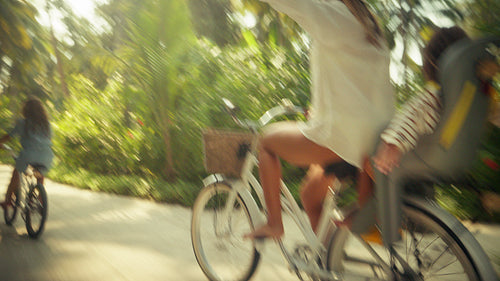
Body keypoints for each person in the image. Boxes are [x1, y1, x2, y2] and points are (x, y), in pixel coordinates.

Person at [244, 0, 394, 240]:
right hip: (375, 138)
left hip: (342, 137)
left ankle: (273, 223)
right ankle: (328, 266)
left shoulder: (336, 14)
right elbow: (358, 85)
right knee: (311, 197)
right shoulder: (370, 25)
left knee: (266, 141)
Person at [373, 26, 499, 175]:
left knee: (377, 141)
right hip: (462, 160)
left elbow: (415, 112)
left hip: (434, 158)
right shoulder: (480, 97)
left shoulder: (439, 93)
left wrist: (393, 143)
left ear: (433, 63)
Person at [0, 97, 54, 210]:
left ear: (26, 110)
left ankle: (8, 201)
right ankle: (40, 199)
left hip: (28, 155)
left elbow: (9, 136)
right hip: (47, 156)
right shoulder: (47, 124)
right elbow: (49, 139)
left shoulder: (23, 122)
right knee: (40, 174)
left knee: (16, 174)